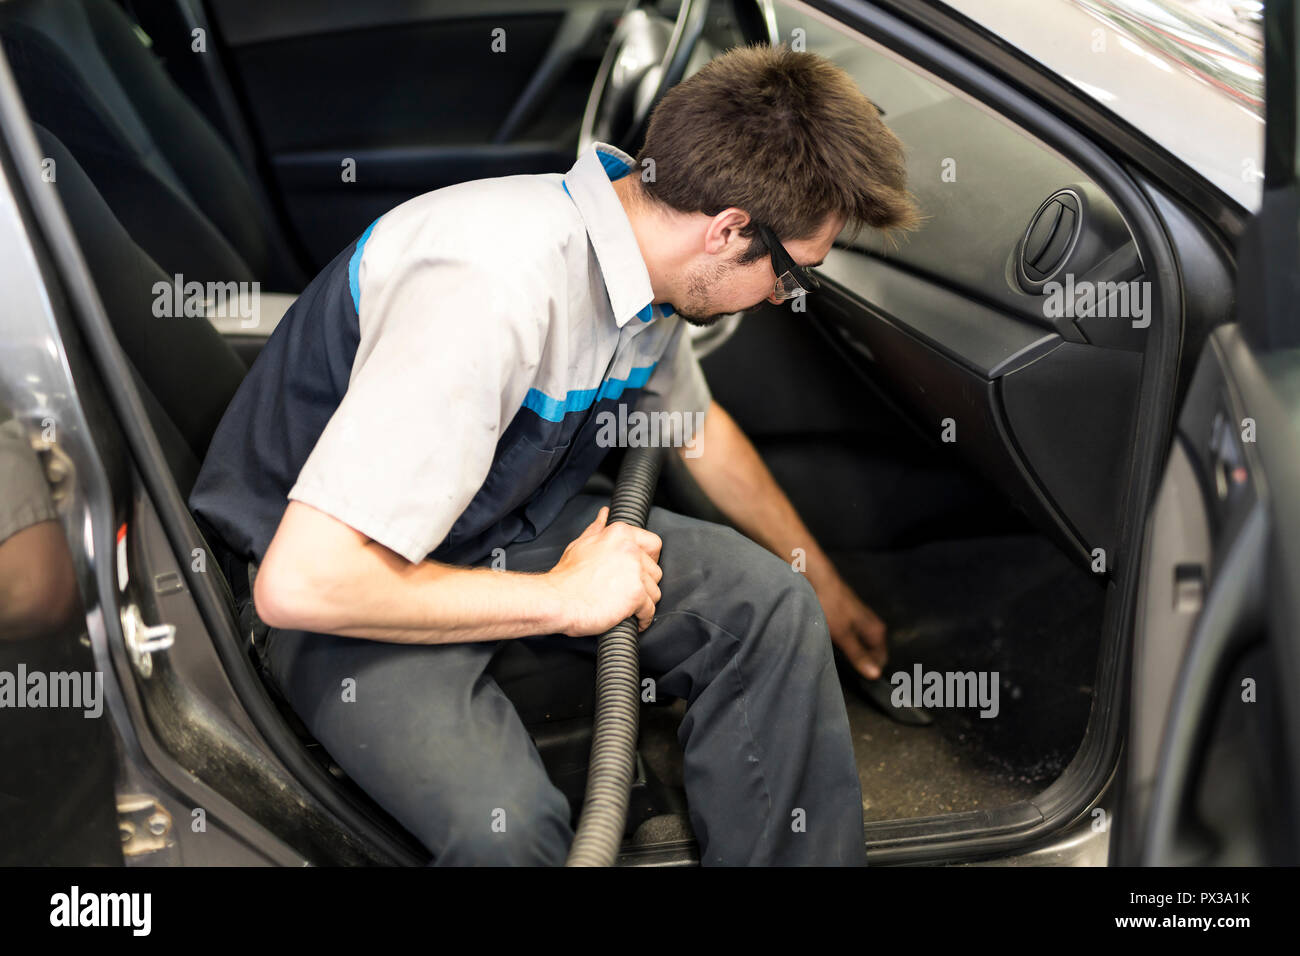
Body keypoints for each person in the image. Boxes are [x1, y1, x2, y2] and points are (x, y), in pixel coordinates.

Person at [189, 43, 919, 865]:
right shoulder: (492, 286)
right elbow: (303, 584)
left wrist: (829, 591)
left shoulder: (646, 265)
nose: (789, 300)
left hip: (500, 519)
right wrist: (566, 599)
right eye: (794, 276)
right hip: (355, 581)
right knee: (505, 833)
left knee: (771, 609)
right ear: (729, 231)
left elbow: (696, 431)